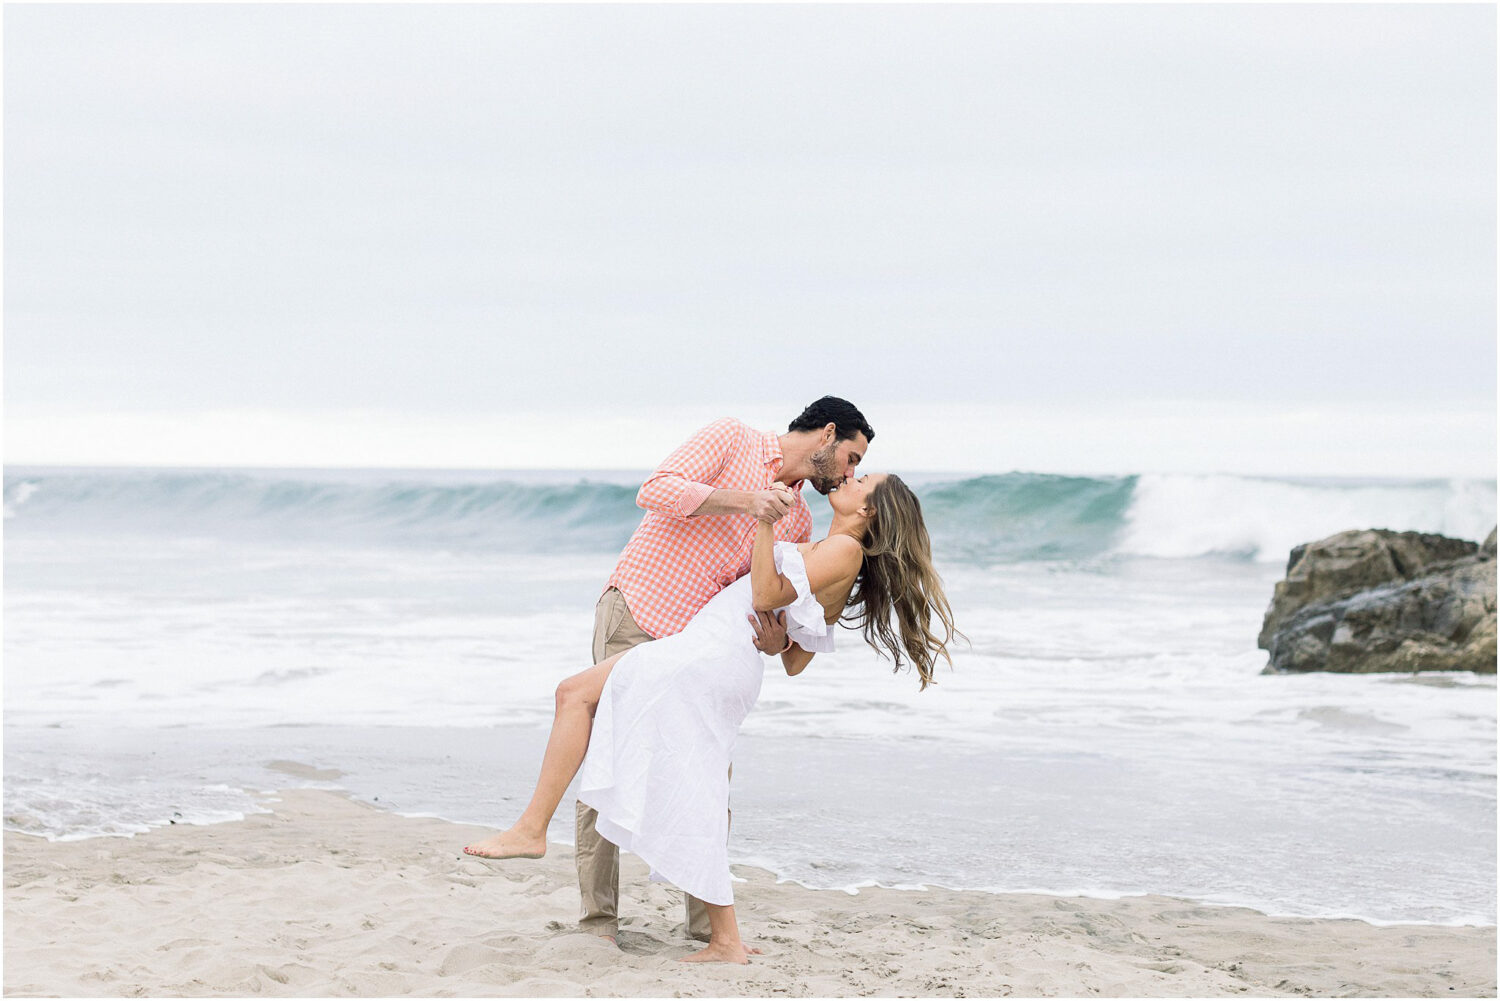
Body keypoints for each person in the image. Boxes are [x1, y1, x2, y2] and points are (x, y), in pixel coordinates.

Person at [462, 470, 958, 964]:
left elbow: (765, 598)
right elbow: (793, 656)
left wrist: (764, 523)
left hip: (708, 657)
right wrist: (777, 638)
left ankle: (536, 832)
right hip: (709, 651)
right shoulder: (833, 551)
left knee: (586, 702)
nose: (852, 477)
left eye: (863, 478)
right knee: (657, 756)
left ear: (868, 510)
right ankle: (720, 936)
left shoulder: (845, 551)